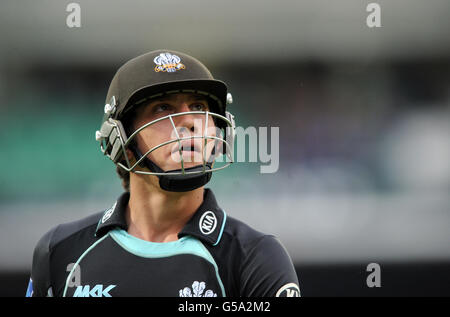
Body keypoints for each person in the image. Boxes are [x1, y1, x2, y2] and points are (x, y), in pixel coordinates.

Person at [26, 50, 300, 297]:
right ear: (122, 140)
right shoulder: (60, 251)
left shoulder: (254, 257)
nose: (189, 122)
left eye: (198, 108)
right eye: (162, 108)